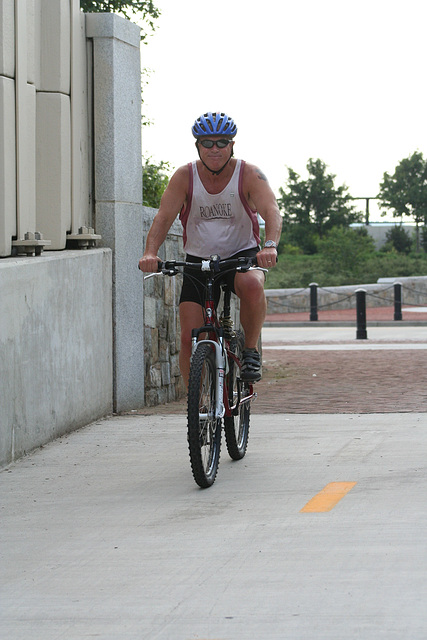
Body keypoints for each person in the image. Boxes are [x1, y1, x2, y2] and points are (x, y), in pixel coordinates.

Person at [139, 111, 282, 386]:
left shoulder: (249, 174)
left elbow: (272, 211)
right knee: (190, 336)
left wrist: (270, 246)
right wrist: (150, 253)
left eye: (222, 142)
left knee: (253, 285)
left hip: (242, 255)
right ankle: (199, 401)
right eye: (207, 143)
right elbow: (163, 218)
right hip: (199, 260)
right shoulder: (184, 176)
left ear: (232, 145)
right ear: (197, 146)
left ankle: (250, 350)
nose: (214, 149)